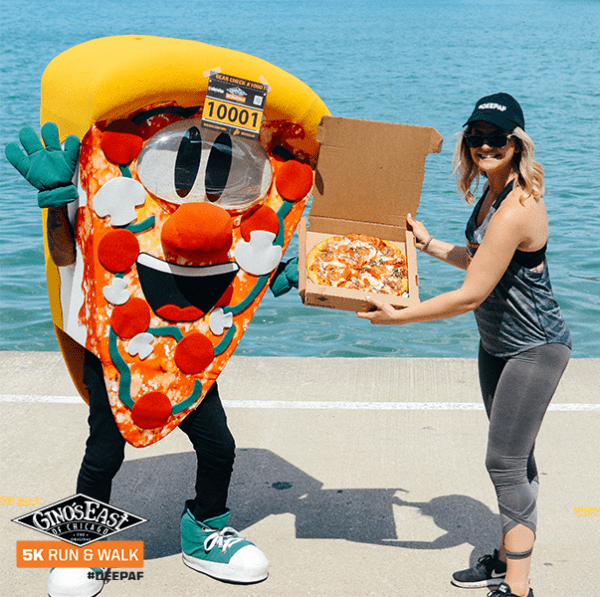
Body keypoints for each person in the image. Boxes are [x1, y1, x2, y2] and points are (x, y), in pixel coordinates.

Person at [358, 93, 571, 597]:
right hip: (497, 345)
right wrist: (429, 244)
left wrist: (399, 316)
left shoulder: (518, 206)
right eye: (476, 136)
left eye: (497, 138)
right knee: (516, 460)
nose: (485, 146)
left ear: (518, 144)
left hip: (534, 349)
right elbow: (482, 260)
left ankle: (517, 586)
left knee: (504, 463)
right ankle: (504, 559)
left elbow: (471, 294)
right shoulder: (493, 196)